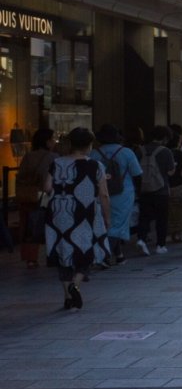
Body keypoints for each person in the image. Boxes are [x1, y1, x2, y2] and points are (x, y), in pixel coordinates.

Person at [44, 128, 111, 309]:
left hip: (59, 213)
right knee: (86, 251)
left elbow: (47, 187)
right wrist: (107, 217)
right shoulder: (96, 165)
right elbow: (104, 195)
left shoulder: (56, 163)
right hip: (85, 214)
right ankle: (75, 284)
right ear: (89, 145)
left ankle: (68, 298)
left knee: (63, 252)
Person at [92, 124, 141, 265]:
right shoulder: (126, 152)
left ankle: (119, 255)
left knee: (104, 224)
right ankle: (104, 256)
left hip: (99, 193)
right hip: (123, 194)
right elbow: (137, 174)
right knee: (117, 225)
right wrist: (139, 192)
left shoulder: (94, 153)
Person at [16, 128, 56, 269]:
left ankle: (31, 259)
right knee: (51, 225)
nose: (54, 142)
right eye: (53, 139)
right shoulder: (53, 157)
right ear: (47, 141)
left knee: (29, 227)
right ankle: (53, 255)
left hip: (29, 196)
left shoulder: (28, 156)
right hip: (46, 196)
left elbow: (20, 176)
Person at [137, 126, 176, 254]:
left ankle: (141, 238)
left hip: (144, 188)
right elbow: (170, 172)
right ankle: (160, 245)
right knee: (162, 218)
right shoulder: (166, 151)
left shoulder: (140, 150)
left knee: (144, 216)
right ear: (165, 138)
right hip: (161, 190)